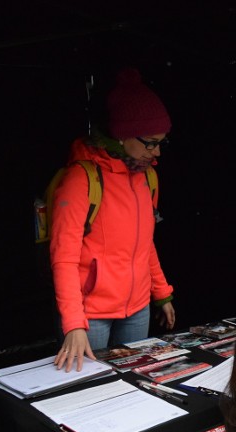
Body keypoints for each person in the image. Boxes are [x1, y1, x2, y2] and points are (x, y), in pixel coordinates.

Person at [51, 68, 176, 372]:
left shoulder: (148, 177)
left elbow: (146, 244)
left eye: (162, 142)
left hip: (137, 310)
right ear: (121, 134)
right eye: (150, 142)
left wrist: (161, 293)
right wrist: (73, 324)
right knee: (90, 394)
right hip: (90, 316)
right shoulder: (81, 179)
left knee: (134, 385)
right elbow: (63, 258)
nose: (156, 151)